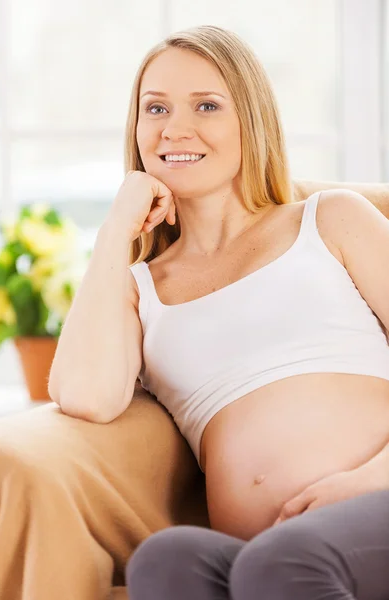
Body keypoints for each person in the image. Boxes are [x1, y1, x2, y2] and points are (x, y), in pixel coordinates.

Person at [49, 25, 389, 600]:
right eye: (155, 108)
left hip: (370, 499)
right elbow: (86, 395)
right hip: (268, 550)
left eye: (206, 105)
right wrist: (116, 230)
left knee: (285, 563)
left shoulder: (330, 221)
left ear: (249, 122)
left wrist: (369, 479)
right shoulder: (138, 288)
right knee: (166, 558)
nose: (174, 129)